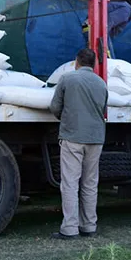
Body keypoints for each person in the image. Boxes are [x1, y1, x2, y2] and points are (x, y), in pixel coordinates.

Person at [49, 48, 108, 240]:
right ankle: (89, 225)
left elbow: (55, 107)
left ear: (77, 61)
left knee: (70, 183)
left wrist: (65, 119)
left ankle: (70, 228)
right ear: (94, 64)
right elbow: (103, 109)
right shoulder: (101, 83)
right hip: (96, 137)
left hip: (73, 136)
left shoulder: (68, 79)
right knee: (90, 183)